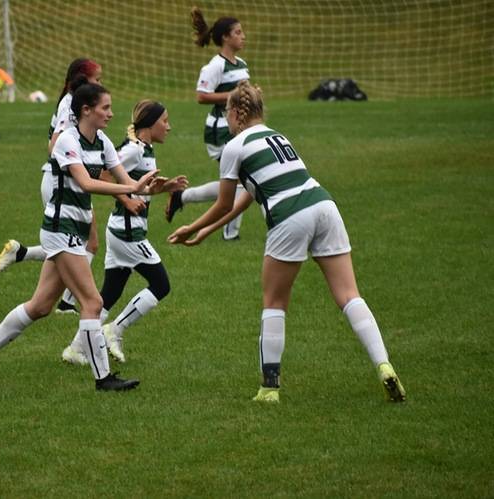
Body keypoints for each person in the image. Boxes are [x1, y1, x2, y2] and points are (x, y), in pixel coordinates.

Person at [168, 81, 406, 404]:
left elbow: (224, 203)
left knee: (274, 301)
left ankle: (270, 388)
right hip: (324, 206)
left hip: (290, 215)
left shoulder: (234, 147)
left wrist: (189, 227)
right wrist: (206, 233)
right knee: (350, 295)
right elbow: (245, 198)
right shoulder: (277, 136)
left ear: (238, 113)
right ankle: (384, 365)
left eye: (227, 114)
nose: (226, 121)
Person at [0, 83, 161, 392]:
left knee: (41, 306)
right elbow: (86, 183)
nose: (111, 114)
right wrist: (132, 189)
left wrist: (161, 188)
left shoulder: (103, 142)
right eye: (105, 108)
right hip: (59, 230)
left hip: (76, 230)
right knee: (92, 301)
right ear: (86, 110)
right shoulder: (67, 141)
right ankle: (103, 378)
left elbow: (127, 181)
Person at [61, 100, 187, 365]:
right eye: (164, 121)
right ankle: (114, 330)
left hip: (122, 230)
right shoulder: (134, 150)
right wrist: (128, 201)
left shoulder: (145, 149)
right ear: (150, 124)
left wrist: (166, 188)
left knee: (110, 294)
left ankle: (75, 349)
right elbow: (103, 175)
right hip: (127, 234)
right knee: (161, 285)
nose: (169, 127)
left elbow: (135, 185)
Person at [0, 58, 103, 315]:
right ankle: (67, 302)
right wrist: (78, 164)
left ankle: (20, 254)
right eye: (97, 80)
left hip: (68, 183)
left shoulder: (74, 102)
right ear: (82, 78)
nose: (100, 84)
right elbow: (55, 145)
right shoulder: (71, 103)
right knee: (85, 245)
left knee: (73, 246)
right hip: (60, 184)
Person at [165, 7, 251, 241]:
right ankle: (230, 235)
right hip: (219, 132)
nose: (243, 36)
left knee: (236, 184)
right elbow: (202, 96)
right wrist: (234, 95)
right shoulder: (215, 65)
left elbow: (242, 95)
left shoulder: (241, 63)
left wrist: (250, 95)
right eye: (238, 32)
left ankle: (181, 197)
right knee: (241, 183)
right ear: (225, 37)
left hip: (237, 129)